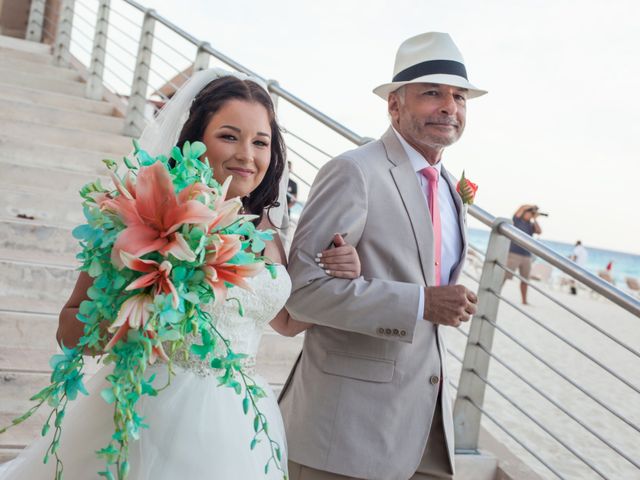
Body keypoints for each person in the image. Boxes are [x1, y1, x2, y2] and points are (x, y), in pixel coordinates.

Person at [0, 69, 362, 479]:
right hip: (153, 409)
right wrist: (140, 313)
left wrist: (342, 275)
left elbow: (287, 321)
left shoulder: (268, 234)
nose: (247, 154)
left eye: (260, 141)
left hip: (242, 422)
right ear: (194, 139)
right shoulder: (144, 212)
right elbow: (69, 327)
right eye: (229, 136)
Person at [279, 32, 484, 480]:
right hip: (346, 434)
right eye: (432, 92)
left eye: (459, 96)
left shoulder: (451, 190)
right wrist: (421, 303)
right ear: (395, 105)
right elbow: (303, 293)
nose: (449, 106)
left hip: (426, 431)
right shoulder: (355, 172)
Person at [504, 204, 543, 305]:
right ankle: (495, 292)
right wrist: (532, 207)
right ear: (525, 212)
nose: (530, 214)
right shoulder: (516, 220)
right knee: (503, 276)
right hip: (514, 254)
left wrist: (535, 219)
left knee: (525, 280)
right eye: (529, 212)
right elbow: (521, 208)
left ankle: (524, 301)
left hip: (526, 256)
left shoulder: (531, 225)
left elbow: (539, 231)